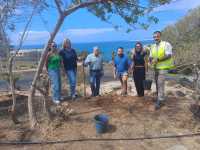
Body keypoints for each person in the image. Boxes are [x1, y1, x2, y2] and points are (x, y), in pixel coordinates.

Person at [149, 31, 175, 110]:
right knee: (157, 83)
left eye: (157, 36)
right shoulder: (152, 46)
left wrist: (158, 59)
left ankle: (160, 100)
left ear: (160, 36)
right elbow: (150, 56)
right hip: (155, 68)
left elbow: (169, 55)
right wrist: (150, 61)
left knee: (160, 83)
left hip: (163, 68)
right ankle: (159, 97)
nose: (155, 38)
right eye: (154, 37)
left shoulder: (166, 44)